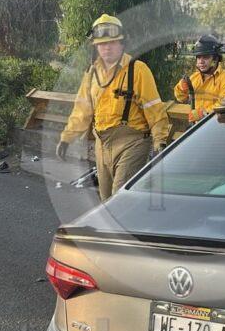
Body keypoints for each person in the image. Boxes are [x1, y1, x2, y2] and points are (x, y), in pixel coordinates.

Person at [57, 14, 172, 201]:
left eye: (112, 42)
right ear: (95, 46)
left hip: (132, 144)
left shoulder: (137, 70)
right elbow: (82, 110)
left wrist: (160, 142)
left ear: (122, 44)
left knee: (119, 200)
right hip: (101, 145)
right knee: (106, 201)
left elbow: (154, 109)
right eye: (102, 44)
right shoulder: (92, 73)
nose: (107, 47)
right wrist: (66, 138)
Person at [174, 35, 225, 122]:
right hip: (199, 127)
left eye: (206, 57)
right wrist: (181, 88)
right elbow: (181, 98)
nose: (201, 61)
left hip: (218, 126)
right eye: (198, 57)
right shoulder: (194, 78)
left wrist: (203, 114)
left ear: (216, 59)